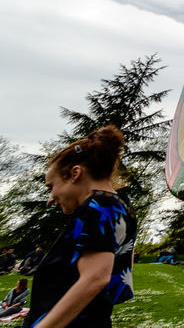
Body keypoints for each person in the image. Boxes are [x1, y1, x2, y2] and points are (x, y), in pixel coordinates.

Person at [22, 126, 136, 328]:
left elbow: (95, 278)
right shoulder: (122, 207)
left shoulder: (97, 207)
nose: (50, 199)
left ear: (75, 173)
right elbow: (117, 285)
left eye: (51, 187)